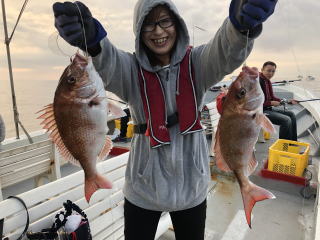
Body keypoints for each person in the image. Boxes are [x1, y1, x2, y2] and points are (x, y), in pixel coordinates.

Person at [52, 0, 277, 239]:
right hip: (143, 189)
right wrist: (93, 40)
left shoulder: (198, 63)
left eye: (165, 21)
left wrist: (241, 27)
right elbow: (109, 61)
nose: (158, 31)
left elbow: (224, 50)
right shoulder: (130, 69)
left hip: (192, 187)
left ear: (177, 24)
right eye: (148, 24)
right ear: (139, 32)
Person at [259, 61, 298, 141]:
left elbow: (272, 97)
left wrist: (287, 101)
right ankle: (283, 147)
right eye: (268, 70)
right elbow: (255, 103)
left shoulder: (267, 81)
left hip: (268, 109)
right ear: (262, 69)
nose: (271, 73)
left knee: (291, 114)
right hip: (260, 112)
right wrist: (270, 103)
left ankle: (292, 143)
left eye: (273, 71)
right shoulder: (258, 82)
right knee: (286, 120)